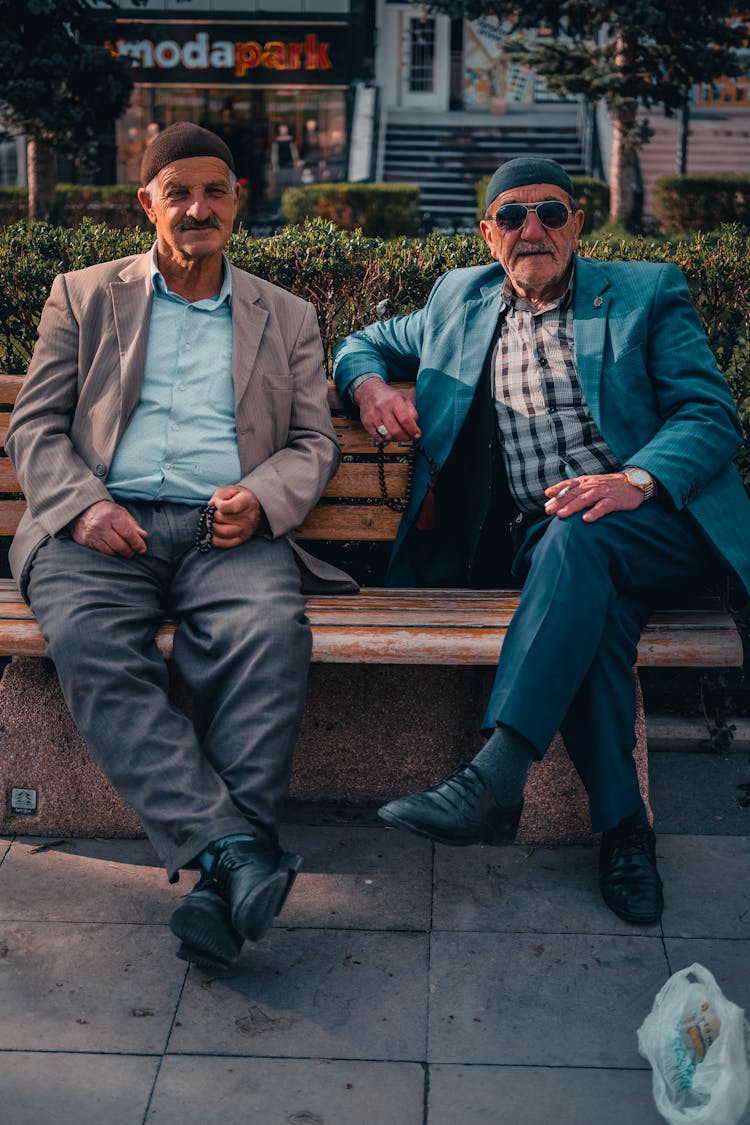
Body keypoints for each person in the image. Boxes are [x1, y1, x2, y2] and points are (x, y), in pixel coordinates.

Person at [333, 156, 750, 925]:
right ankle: (625, 835)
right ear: (488, 232)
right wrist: (367, 385)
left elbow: (710, 414)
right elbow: (362, 342)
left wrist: (637, 480)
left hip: (655, 524)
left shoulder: (644, 292)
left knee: (581, 536)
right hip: (549, 545)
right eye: (514, 217)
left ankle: (499, 772)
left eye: (552, 213)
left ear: (578, 225)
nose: (534, 230)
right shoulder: (458, 300)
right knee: (586, 595)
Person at [7, 122, 356, 971]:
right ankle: (239, 849)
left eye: (215, 191)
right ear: (148, 204)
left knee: (270, 637)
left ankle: (219, 874)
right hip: (100, 531)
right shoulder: (84, 294)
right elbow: (35, 425)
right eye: (179, 193)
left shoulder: (288, 314)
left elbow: (314, 441)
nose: (198, 208)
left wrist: (263, 498)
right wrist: (83, 506)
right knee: (91, 645)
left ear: (238, 199)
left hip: (225, 533)